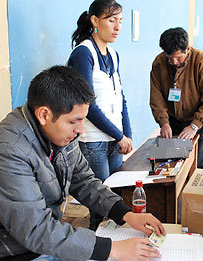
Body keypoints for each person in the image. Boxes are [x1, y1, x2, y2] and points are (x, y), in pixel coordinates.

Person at [0, 65, 166, 261]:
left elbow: (85, 182)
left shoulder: (59, 135)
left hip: (42, 244)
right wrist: (113, 249)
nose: (80, 130)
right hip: (14, 253)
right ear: (44, 115)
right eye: (74, 121)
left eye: (83, 120)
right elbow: (36, 231)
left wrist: (125, 214)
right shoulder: (6, 152)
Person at [67, 0, 132, 230]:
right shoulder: (83, 53)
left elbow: (121, 98)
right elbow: (88, 105)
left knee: (115, 195)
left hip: (114, 139)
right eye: (111, 20)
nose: (117, 27)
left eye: (120, 21)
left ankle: (115, 243)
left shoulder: (113, 54)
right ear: (95, 20)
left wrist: (126, 134)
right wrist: (119, 135)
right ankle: (97, 246)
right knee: (100, 201)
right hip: (93, 140)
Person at [150, 27, 203, 169]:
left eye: (178, 58)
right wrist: (163, 122)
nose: (174, 62)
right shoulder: (159, 62)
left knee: (198, 163)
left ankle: (194, 190)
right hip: (172, 120)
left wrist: (195, 125)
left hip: (199, 122)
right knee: (174, 163)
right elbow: (156, 97)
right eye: (170, 58)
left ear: (187, 49)